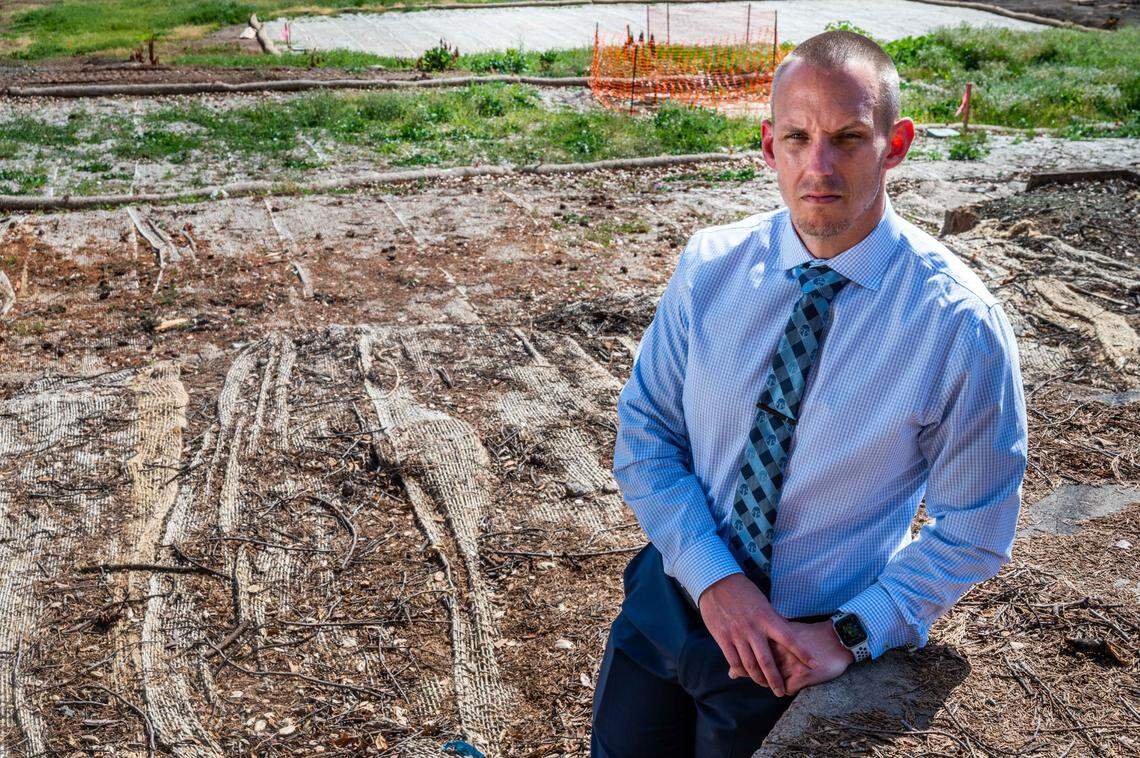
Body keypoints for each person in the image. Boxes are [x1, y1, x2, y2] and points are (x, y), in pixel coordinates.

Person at [591, 30, 1028, 757]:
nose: (817, 165)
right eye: (797, 138)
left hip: (793, 654)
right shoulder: (709, 269)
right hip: (669, 601)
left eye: (848, 138)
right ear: (768, 146)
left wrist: (852, 634)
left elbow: (975, 529)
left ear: (897, 144)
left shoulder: (958, 327)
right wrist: (715, 580)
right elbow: (646, 434)